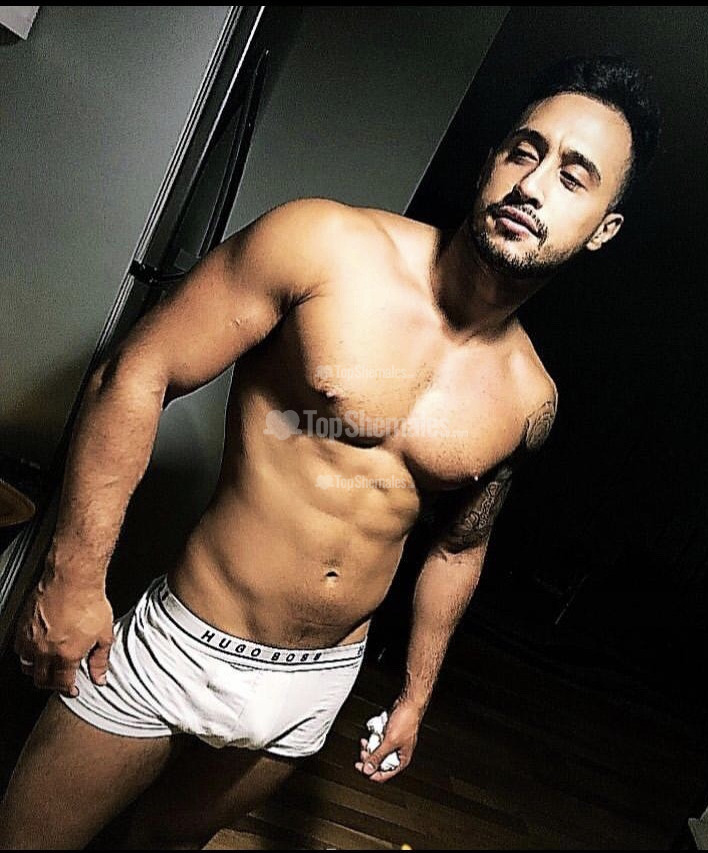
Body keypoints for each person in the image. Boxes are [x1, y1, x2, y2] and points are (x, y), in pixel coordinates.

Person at [0, 54, 660, 849]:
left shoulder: (530, 398)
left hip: (316, 686)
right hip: (185, 641)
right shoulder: (323, 245)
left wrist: (415, 695)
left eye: (574, 176)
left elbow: (460, 545)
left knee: (164, 842)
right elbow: (137, 371)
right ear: (492, 160)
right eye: (524, 151)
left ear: (604, 228)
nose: (532, 184)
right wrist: (73, 577)